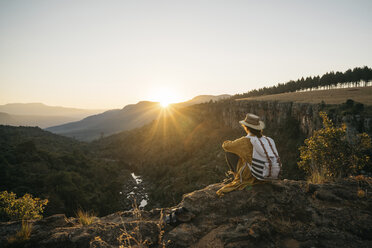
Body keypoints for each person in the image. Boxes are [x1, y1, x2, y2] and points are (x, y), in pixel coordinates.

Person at [216, 113, 280, 196]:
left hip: (252, 177)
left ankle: (236, 177)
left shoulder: (245, 141)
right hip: (268, 174)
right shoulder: (268, 140)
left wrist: (231, 142)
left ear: (246, 127)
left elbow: (226, 146)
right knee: (246, 155)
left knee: (229, 153)